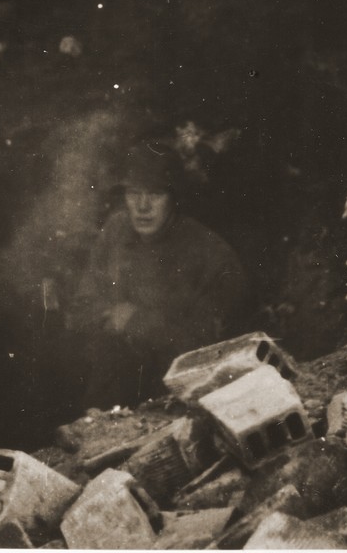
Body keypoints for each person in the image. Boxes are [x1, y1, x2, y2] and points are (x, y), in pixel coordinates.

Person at [66, 141, 249, 408]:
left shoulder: (210, 254)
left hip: (180, 398)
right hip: (113, 391)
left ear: (174, 198)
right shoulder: (116, 231)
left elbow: (213, 350)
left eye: (155, 194)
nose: (142, 206)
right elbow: (81, 308)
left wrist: (137, 321)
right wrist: (110, 317)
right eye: (133, 193)